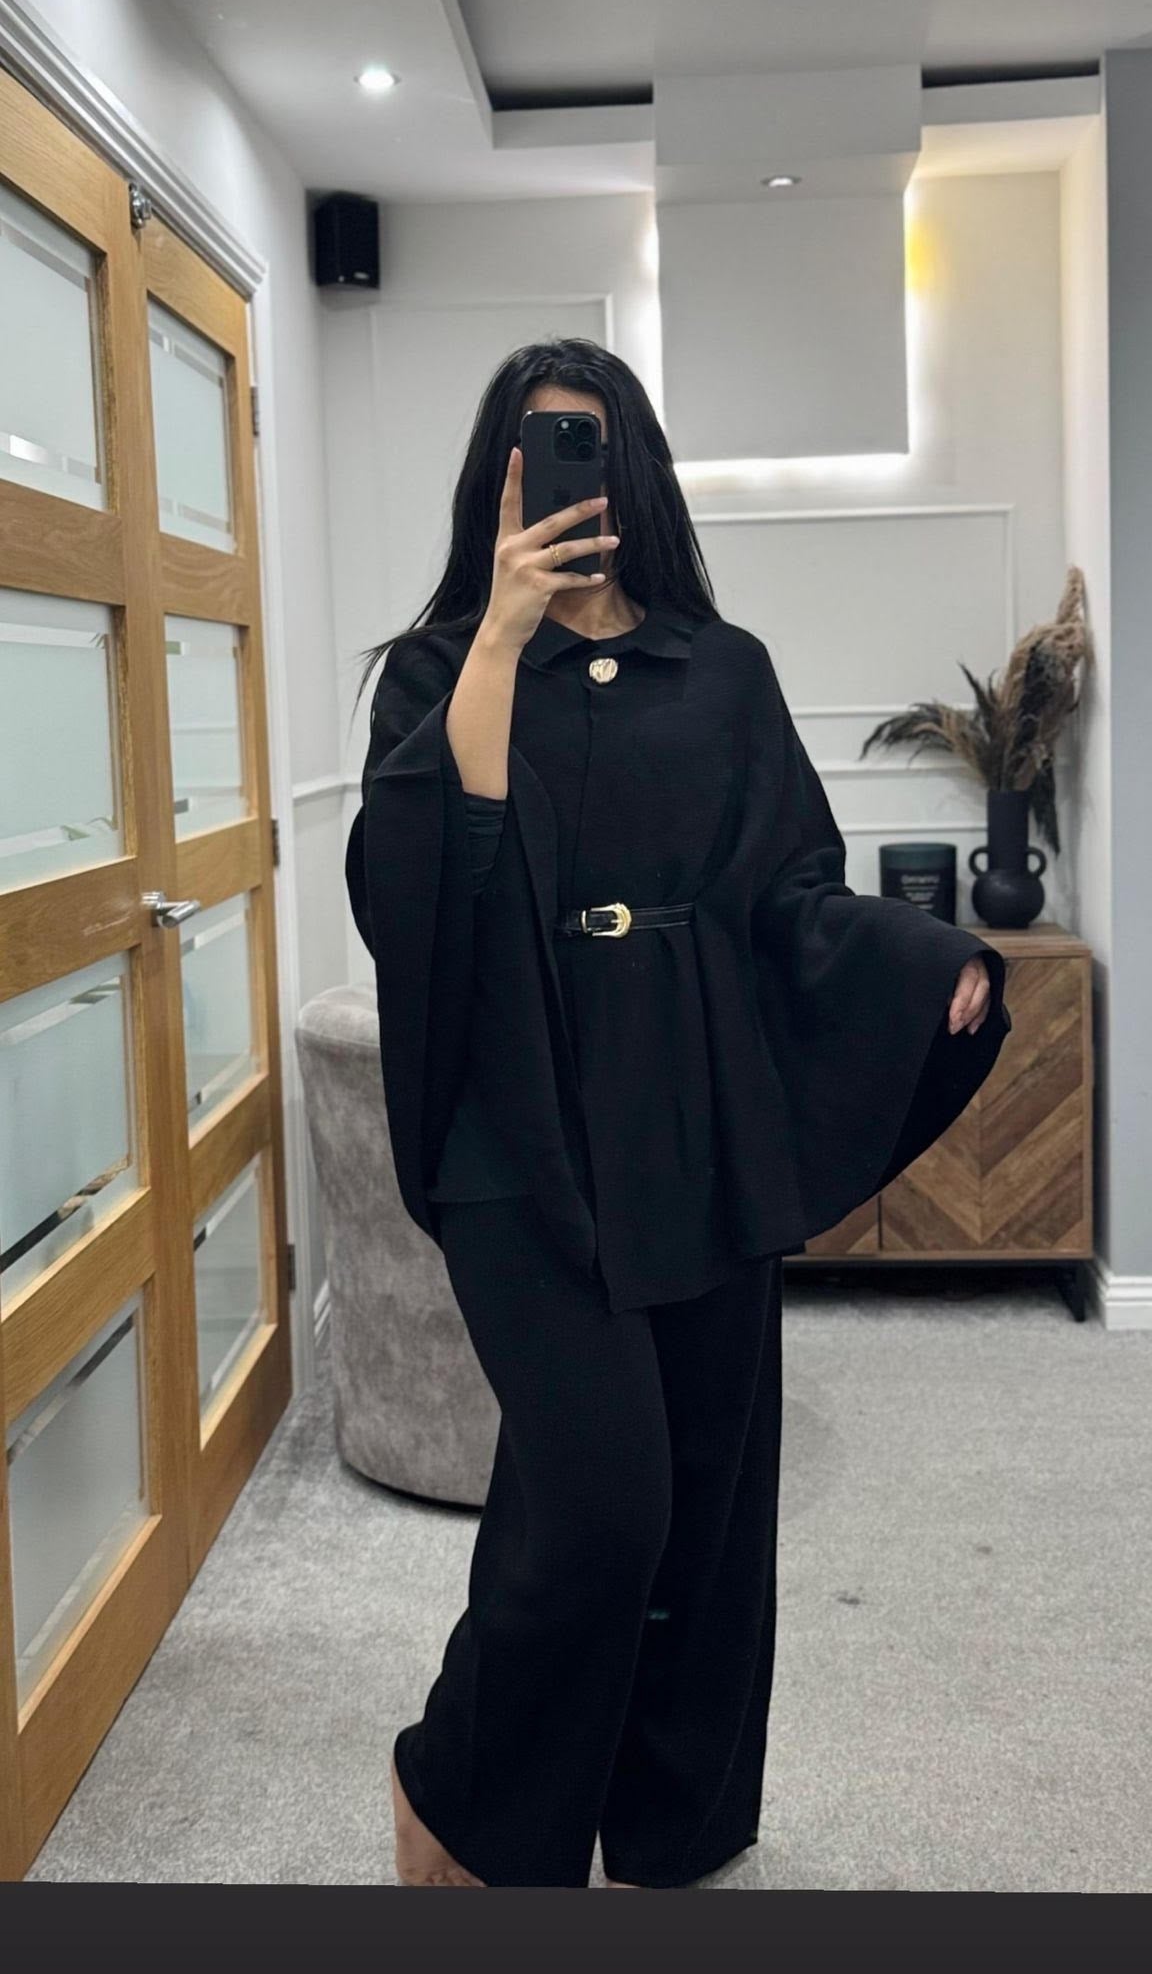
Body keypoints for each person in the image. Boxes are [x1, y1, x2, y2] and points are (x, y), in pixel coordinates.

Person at [344, 340, 1011, 1889]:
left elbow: (787, 891)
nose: (564, 478)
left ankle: (672, 1821)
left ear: (631, 471)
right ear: (499, 479)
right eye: (536, 449)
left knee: (703, 1492)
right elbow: (417, 896)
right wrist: (501, 633)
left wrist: (927, 961)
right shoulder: (443, 671)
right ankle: (456, 1790)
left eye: (588, 445)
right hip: (516, 1138)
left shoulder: (725, 673)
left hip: (689, 1122)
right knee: (602, 1504)